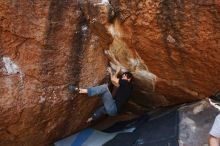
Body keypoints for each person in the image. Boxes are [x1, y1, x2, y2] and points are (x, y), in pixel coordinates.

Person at [69, 66, 133, 123]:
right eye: (122, 76)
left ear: (129, 79)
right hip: (114, 111)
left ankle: (81, 90)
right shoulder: (127, 87)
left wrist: (117, 71)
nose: (122, 78)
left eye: (124, 76)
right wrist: (111, 72)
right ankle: (90, 119)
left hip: (114, 108)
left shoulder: (127, 84)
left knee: (104, 88)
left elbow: (114, 79)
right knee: (102, 109)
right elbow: (115, 83)